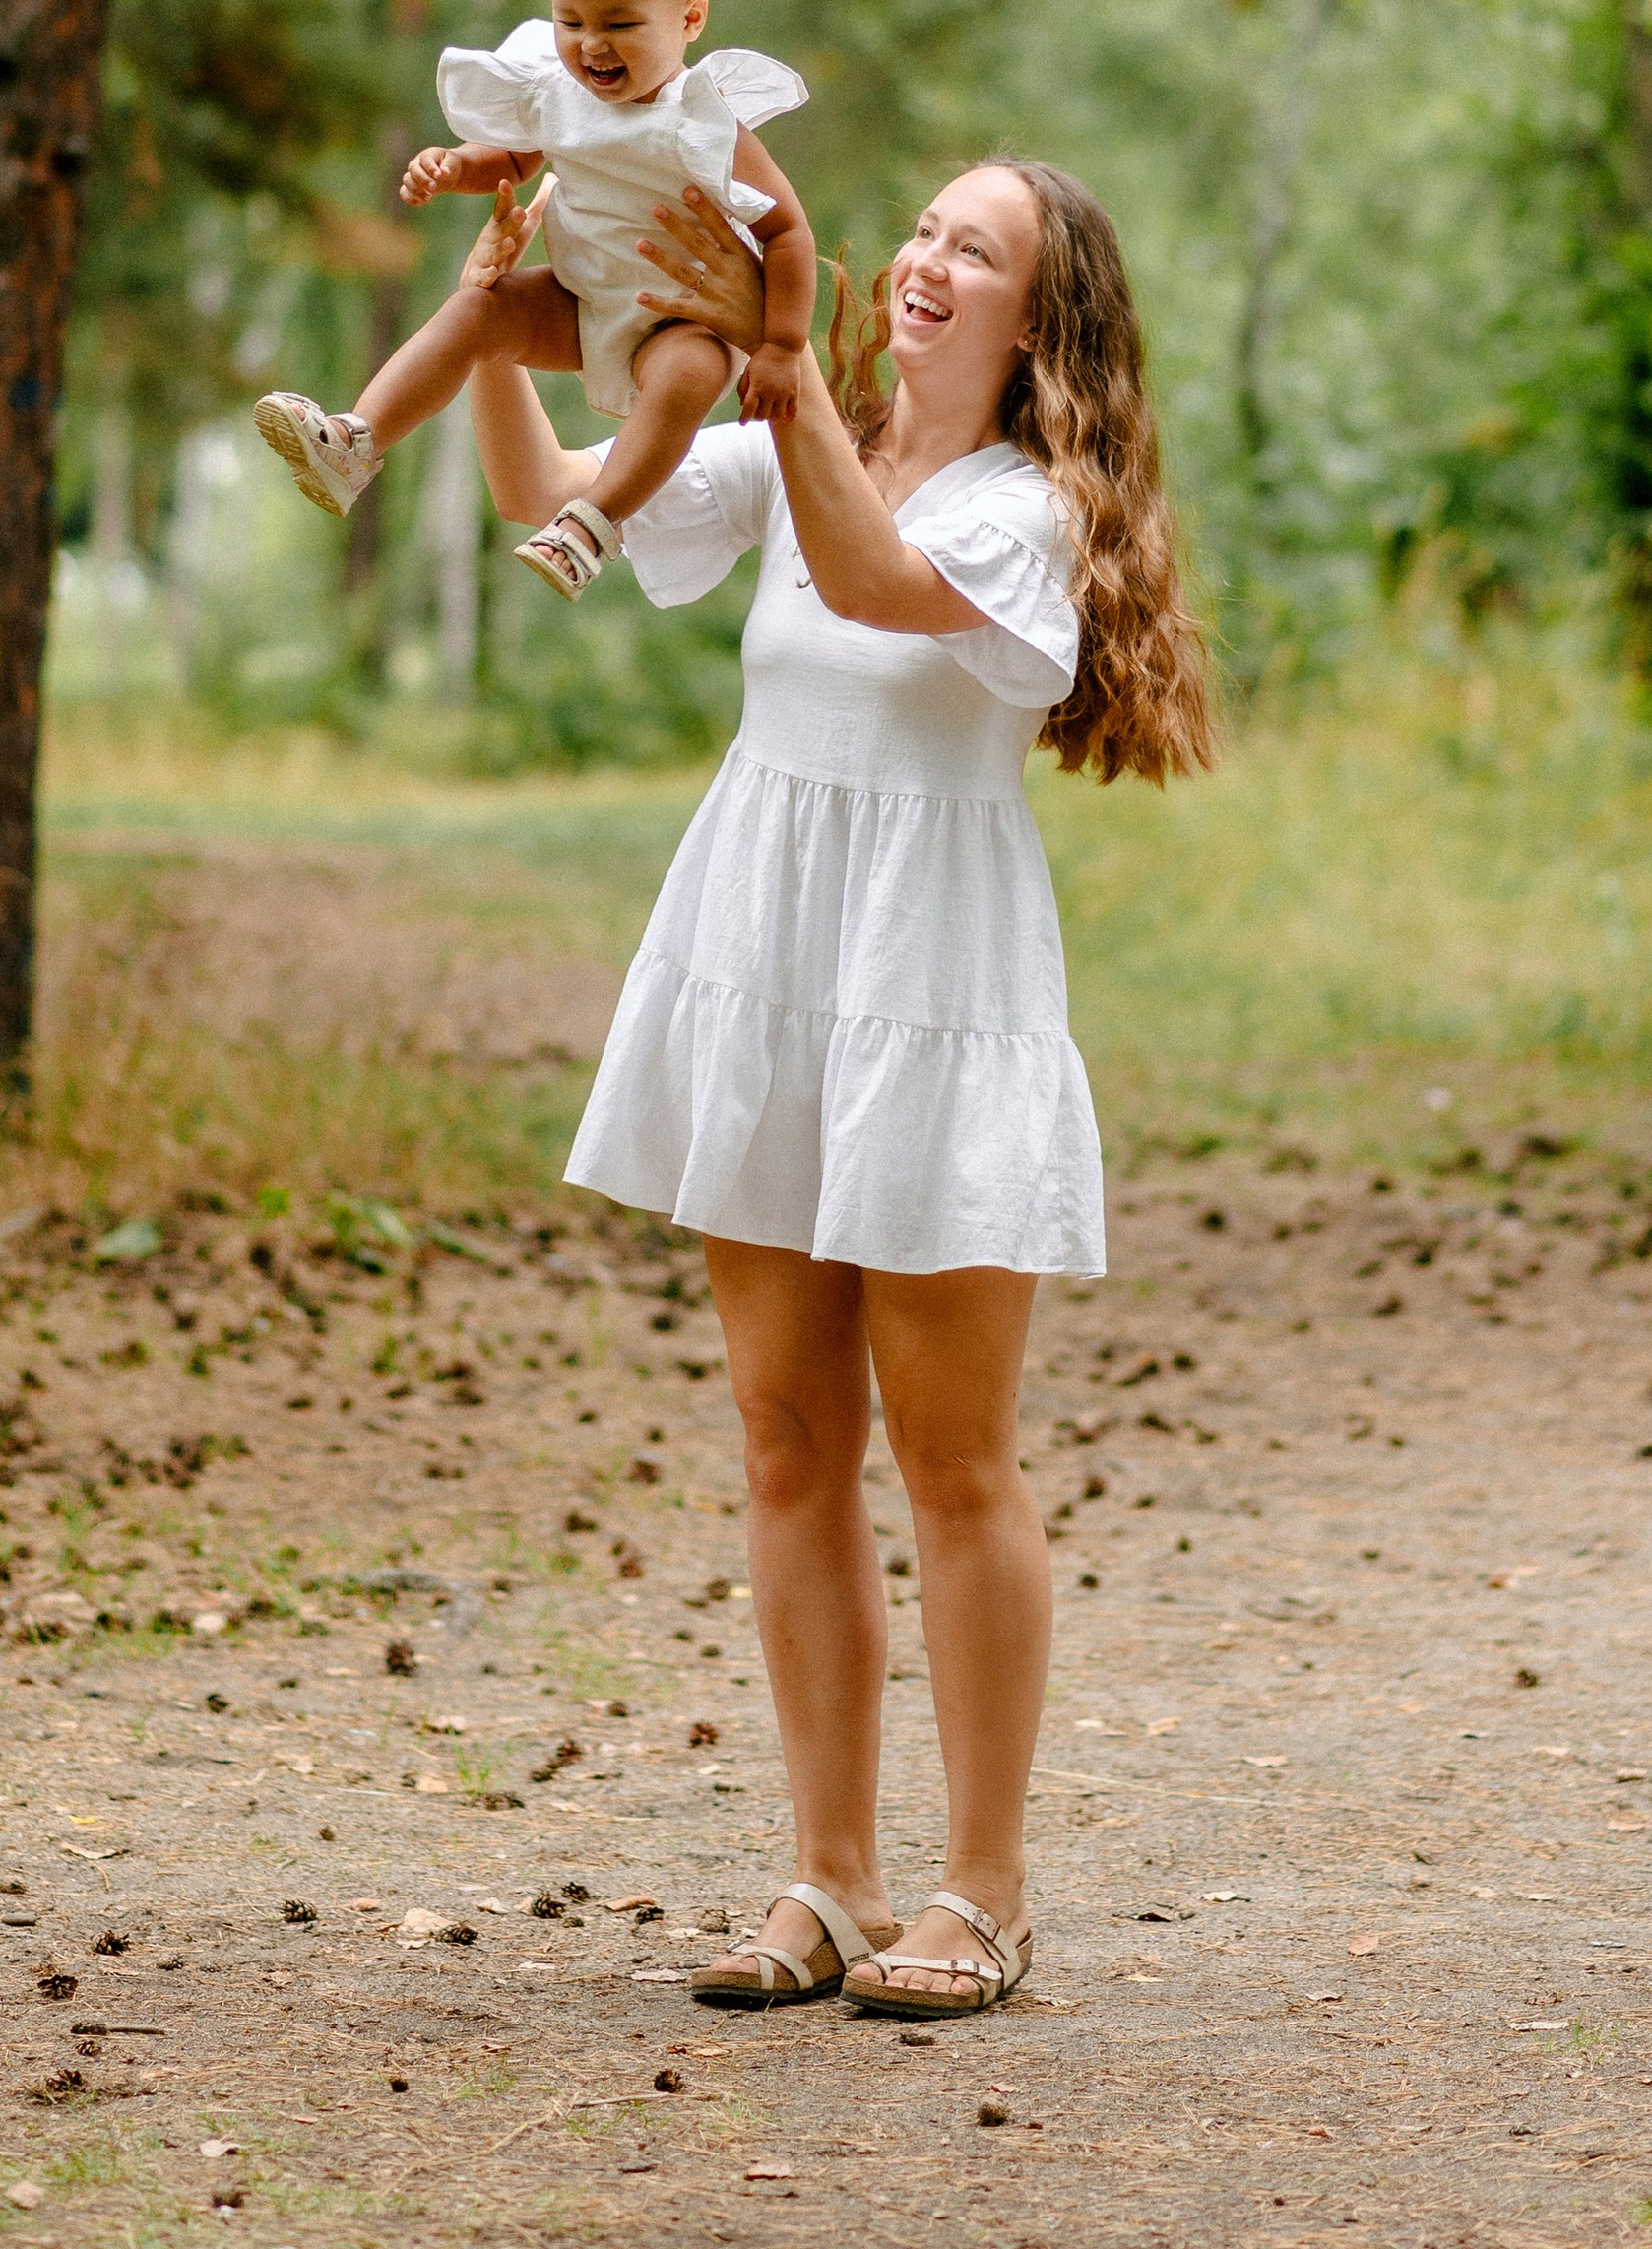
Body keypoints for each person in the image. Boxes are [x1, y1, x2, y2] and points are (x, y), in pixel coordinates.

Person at [464, 155, 1213, 2020]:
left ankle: (984, 1890)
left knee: (955, 1459)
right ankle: (832, 1873)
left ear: (1040, 318)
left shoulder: (1024, 507)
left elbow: (887, 593)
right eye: (930, 230)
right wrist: (491, 320)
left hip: (932, 988)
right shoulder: (806, 443)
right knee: (787, 1438)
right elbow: (556, 497)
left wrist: (781, 370)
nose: (934, 261)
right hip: (771, 966)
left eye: (985, 247)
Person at [252, 0, 815, 600]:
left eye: (620, 23)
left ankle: (591, 524)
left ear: (690, 18)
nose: (590, 44)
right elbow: (514, 159)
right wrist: (455, 167)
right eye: (570, 19)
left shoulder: (703, 123)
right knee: (476, 310)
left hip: (681, 318)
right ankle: (356, 441)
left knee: (688, 377)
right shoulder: (554, 91)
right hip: (578, 297)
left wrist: (783, 346)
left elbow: (787, 231)